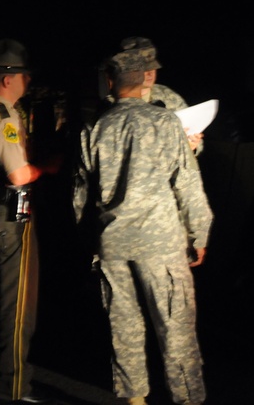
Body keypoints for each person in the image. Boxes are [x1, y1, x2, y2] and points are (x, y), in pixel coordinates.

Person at [73, 48, 214, 405]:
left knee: (124, 331)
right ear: (145, 80)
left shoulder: (95, 126)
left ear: (110, 81)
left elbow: (80, 194)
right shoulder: (165, 122)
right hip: (161, 244)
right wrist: (199, 233)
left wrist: (88, 238)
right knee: (176, 332)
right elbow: (187, 183)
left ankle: (133, 400)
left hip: (114, 244)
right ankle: (187, 400)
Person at [0, 38, 60, 405]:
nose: (27, 82)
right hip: (11, 211)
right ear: (8, 79)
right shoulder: (3, 117)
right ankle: (13, 389)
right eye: (24, 76)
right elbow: (19, 175)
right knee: (18, 308)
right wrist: (47, 167)